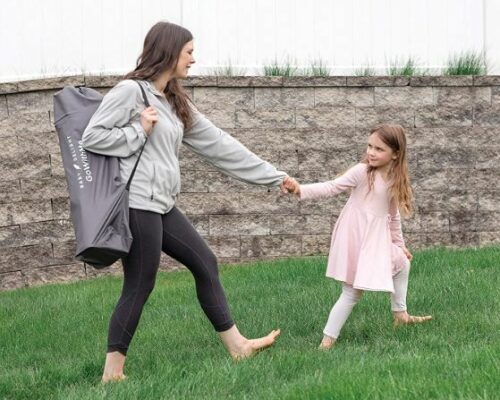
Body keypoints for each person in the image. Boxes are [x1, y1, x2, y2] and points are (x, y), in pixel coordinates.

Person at [82, 21, 289, 382]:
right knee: (140, 283)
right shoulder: (131, 92)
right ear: (169, 51)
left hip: (161, 203)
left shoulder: (173, 100)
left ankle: (237, 345)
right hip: (137, 204)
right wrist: (138, 130)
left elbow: (219, 144)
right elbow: (92, 137)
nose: (193, 59)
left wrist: (275, 176)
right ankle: (112, 372)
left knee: (204, 262)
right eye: (189, 52)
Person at [282, 124, 432, 349]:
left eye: (379, 149)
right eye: (370, 146)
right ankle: (327, 341)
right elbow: (331, 187)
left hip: (376, 239)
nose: (371, 152)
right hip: (355, 236)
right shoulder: (362, 172)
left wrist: (399, 245)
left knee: (402, 263)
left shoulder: (394, 179)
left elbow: (393, 216)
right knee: (352, 292)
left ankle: (400, 315)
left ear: (396, 154)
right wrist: (300, 189)